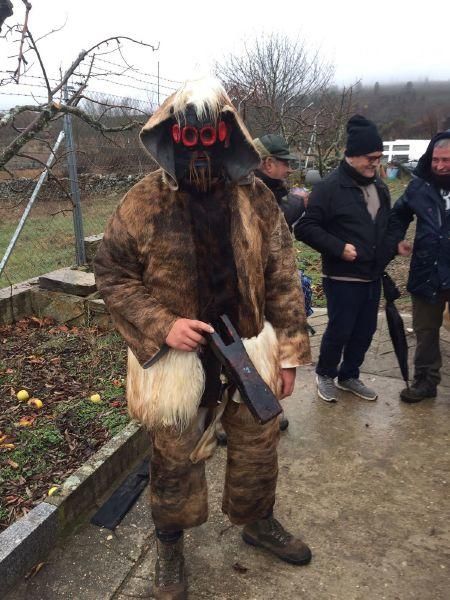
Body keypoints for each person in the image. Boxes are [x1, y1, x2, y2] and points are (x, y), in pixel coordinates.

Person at [94, 78, 312, 599]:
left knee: (260, 448)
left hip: (249, 347)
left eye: (209, 134)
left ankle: (258, 521)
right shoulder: (142, 200)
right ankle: (169, 546)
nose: (199, 146)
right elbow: (112, 273)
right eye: (187, 136)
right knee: (172, 458)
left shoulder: (256, 197)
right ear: (171, 135)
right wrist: (162, 324)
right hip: (176, 359)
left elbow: (283, 274)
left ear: (226, 134)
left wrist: (289, 355)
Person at [294, 115, 392, 403]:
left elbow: (383, 222)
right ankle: (325, 373)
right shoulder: (329, 187)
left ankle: (349, 375)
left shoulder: (380, 186)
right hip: (342, 277)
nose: (375, 162)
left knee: (366, 330)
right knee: (340, 329)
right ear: (351, 155)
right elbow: (304, 228)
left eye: (379, 157)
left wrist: (392, 244)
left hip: (372, 275)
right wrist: (339, 247)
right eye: (370, 157)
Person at [388, 131, 450, 403]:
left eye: (446, 160)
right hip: (427, 270)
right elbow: (398, 214)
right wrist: (397, 239)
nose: (439, 166)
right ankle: (425, 381)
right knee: (425, 331)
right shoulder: (419, 186)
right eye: (436, 159)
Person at [253, 133, 308, 230]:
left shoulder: (268, 188)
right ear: (269, 164)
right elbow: (273, 219)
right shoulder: (251, 192)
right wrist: (301, 201)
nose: (290, 170)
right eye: (286, 163)